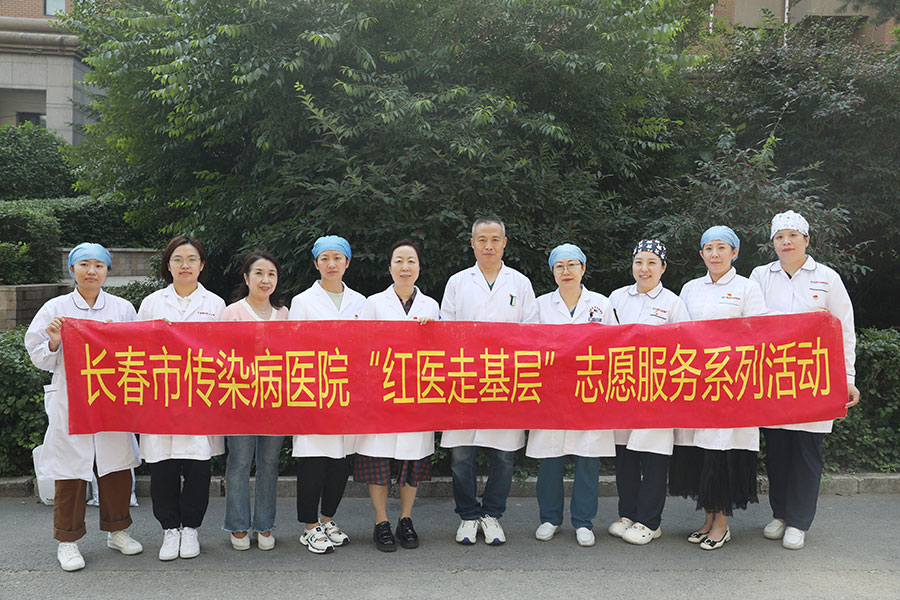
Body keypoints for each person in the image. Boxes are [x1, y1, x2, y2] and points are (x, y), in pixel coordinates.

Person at [26, 243, 144, 572]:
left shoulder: (122, 308)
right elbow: (37, 354)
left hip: (111, 398)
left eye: (99, 265)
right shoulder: (56, 308)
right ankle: (68, 540)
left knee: (116, 467)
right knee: (70, 470)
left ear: (108, 271)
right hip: (72, 399)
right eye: (84, 265)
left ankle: (118, 531)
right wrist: (54, 341)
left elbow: (139, 348)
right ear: (72, 270)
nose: (92, 271)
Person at [750, 210, 860, 550]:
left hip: (816, 379)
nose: (786, 242)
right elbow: (751, 323)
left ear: (806, 240)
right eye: (779, 237)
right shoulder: (760, 276)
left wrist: (848, 377)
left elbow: (844, 329)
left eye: (792, 236)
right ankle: (781, 513)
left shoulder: (827, 278)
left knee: (807, 450)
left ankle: (798, 521)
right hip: (774, 378)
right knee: (777, 450)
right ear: (773, 243)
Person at [440, 216, 538, 545]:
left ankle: (492, 514)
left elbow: (531, 331)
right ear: (472, 244)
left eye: (495, 239)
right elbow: (446, 329)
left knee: (504, 453)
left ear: (505, 243)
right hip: (464, 379)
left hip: (506, 379)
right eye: (482, 239)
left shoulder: (519, 283)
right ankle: (468, 516)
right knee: (462, 454)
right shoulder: (457, 282)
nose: (488, 245)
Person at [669, 226, 768, 550]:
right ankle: (708, 518)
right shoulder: (690, 288)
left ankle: (722, 523)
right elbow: (679, 332)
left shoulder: (747, 288)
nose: (715, 254)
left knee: (725, 452)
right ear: (701, 254)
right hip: (697, 383)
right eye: (709, 248)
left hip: (732, 385)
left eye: (722, 248)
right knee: (703, 453)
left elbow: (758, 333)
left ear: (734, 252)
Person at [137, 235, 226, 561]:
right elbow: (135, 349)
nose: (184, 265)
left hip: (200, 400)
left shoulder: (215, 305)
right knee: (163, 468)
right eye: (177, 259)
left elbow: (226, 353)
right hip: (161, 398)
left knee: (198, 468)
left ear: (201, 265)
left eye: (191, 259)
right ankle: (169, 530)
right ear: (168, 265)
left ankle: (190, 529)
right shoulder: (151, 303)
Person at [526, 243, 617, 548]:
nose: (566, 271)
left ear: (583, 268)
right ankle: (549, 518)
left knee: (588, 459)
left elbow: (617, 344)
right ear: (552, 272)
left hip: (590, 392)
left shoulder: (601, 304)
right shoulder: (540, 305)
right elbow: (526, 345)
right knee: (550, 459)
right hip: (551, 392)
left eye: (572, 265)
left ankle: (583, 521)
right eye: (559, 266)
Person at [354, 240, 440, 552]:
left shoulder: (431, 306)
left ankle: (406, 519)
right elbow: (361, 344)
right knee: (378, 458)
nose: (405, 267)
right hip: (381, 394)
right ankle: (381, 521)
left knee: (411, 460)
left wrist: (431, 331)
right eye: (399, 261)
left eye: (411, 261)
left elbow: (441, 353)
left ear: (419, 267)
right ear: (389, 267)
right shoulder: (373, 303)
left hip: (417, 395)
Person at [607, 239, 690, 545]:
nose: (644, 269)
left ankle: (650, 522)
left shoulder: (672, 303)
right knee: (625, 456)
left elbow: (685, 345)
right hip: (622, 388)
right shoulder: (616, 297)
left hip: (657, 391)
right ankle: (627, 514)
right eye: (639, 262)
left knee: (654, 456)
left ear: (663, 267)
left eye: (652, 262)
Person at [288, 235, 365, 554]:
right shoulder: (302, 301)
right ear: (316, 263)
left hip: (348, 391)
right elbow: (292, 347)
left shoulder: (361, 302)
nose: (331, 264)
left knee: (340, 461)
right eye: (325, 258)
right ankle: (309, 526)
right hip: (313, 389)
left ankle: (327, 519)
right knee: (313, 459)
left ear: (347, 262)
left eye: (337, 258)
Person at [221, 250, 290, 551]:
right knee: (239, 462)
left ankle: (264, 524)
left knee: (269, 463)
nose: (265, 280)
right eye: (259, 273)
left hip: (275, 399)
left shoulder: (284, 313)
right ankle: (238, 525)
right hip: (240, 400)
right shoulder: (232, 312)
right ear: (246, 278)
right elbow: (221, 355)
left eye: (271, 274)